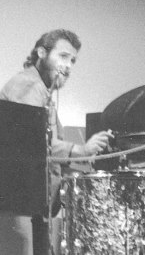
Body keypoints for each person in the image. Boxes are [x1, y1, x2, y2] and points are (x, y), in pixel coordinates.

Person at [0, 29, 112, 255]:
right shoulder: (27, 86)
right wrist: (82, 150)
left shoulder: (42, 91)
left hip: (31, 210)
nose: (68, 65)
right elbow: (34, 142)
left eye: (72, 60)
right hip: (18, 212)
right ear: (41, 53)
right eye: (62, 56)